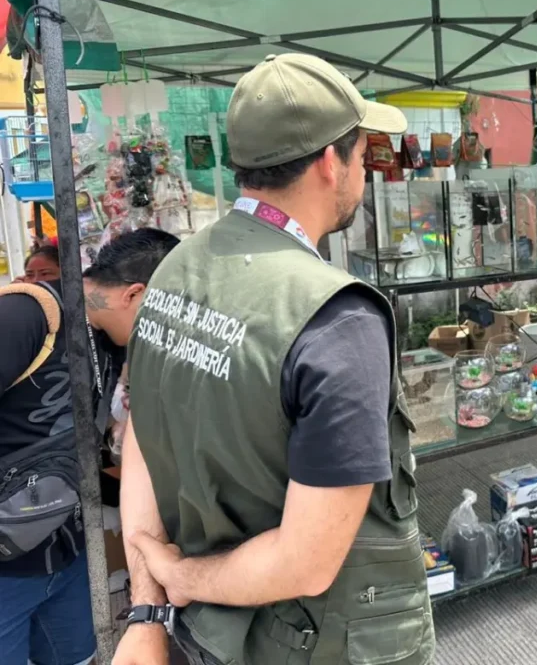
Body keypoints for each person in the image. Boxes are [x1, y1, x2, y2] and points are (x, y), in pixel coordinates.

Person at [113, 54, 435, 665]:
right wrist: (179, 580)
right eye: (363, 156)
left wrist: (151, 606)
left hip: (205, 635)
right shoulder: (337, 318)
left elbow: (142, 437)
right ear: (327, 163)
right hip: (313, 643)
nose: (364, 173)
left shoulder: (174, 270)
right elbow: (307, 563)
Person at [0, 228, 177, 665]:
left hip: (68, 553)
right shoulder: (26, 316)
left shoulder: (105, 335)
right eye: (163, 314)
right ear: (133, 295)